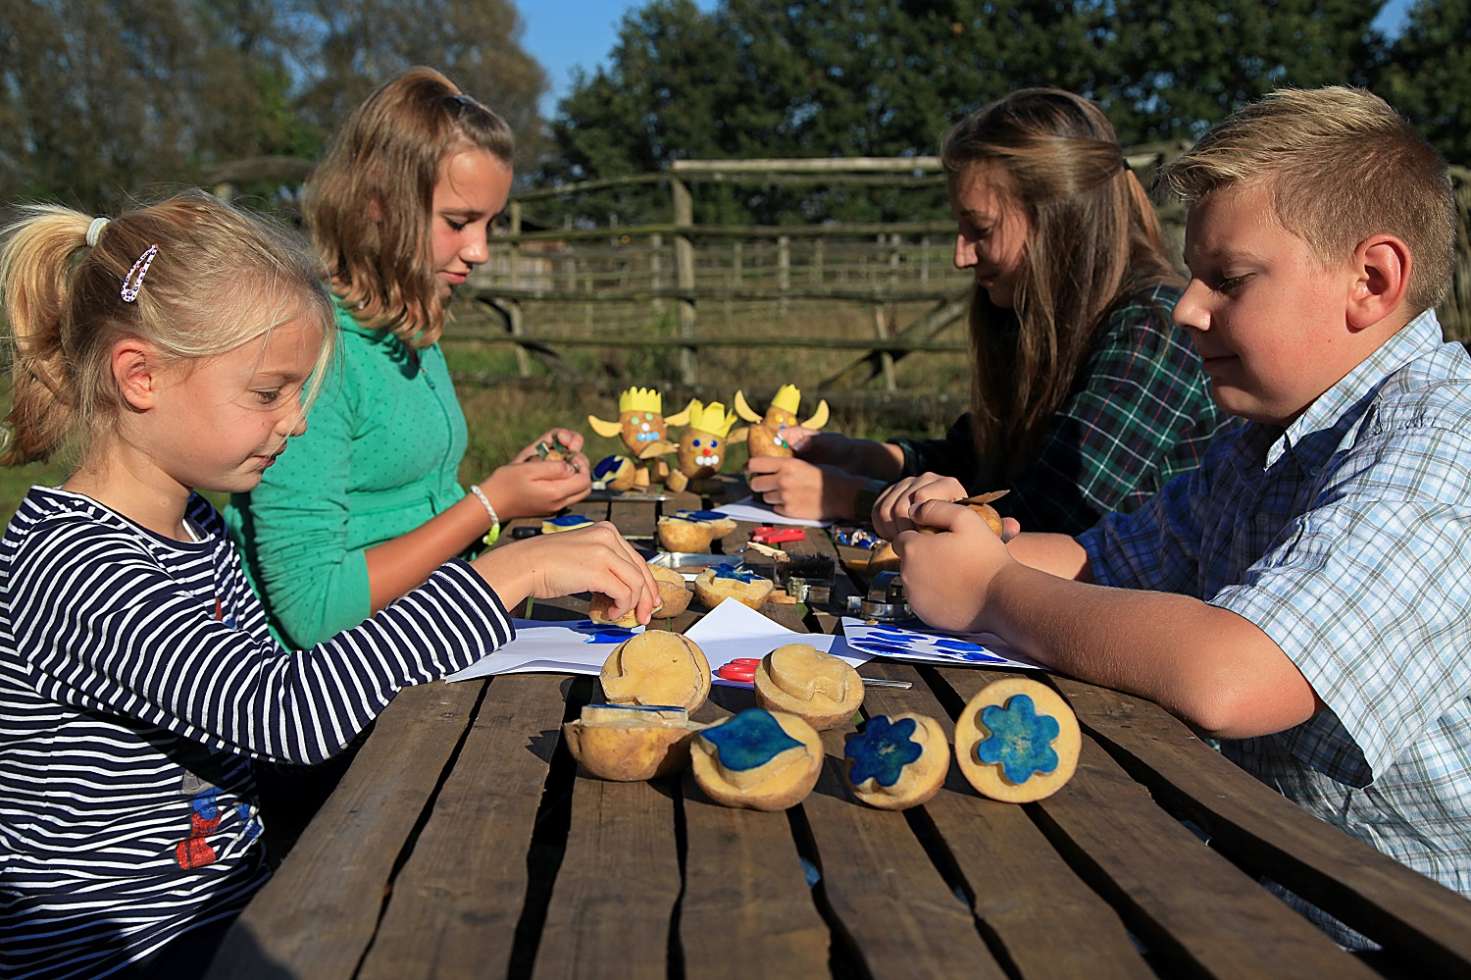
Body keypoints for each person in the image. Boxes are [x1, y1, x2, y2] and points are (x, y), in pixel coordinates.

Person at [0, 193, 656, 976]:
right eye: (269, 392)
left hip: (231, 907)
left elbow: (283, 689)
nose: (297, 421)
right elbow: (284, 714)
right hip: (123, 957)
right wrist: (509, 572)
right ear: (140, 375)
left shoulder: (193, 527)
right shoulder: (73, 565)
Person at [882, 86, 1467, 946]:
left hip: (1405, 932)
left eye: (1226, 280)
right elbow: (1098, 559)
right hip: (1270, 880)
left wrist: (984, 594)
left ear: (1370, 281)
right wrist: (968, 540)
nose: (1187, 309)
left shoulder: (1440, 448)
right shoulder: (1260, 439)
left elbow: (1234, 676)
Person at [226, 67, 590, 651]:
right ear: (377, 204)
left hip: (410, 642)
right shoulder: (312, 356)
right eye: (458, 222)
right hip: (327, 697)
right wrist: (490, 503)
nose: (480, 251)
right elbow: (316, 612)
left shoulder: (407, 328)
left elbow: (404, 513)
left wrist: (516, 484)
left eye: (489, 223)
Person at [748, 88, 1222, 535]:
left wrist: (852, 497)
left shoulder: (1153, 330)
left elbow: (1047, 517)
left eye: (980, 229)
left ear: (1059, 221)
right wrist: (863, 457)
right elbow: (980, 460)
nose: (962, 255)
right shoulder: (1042, 314)